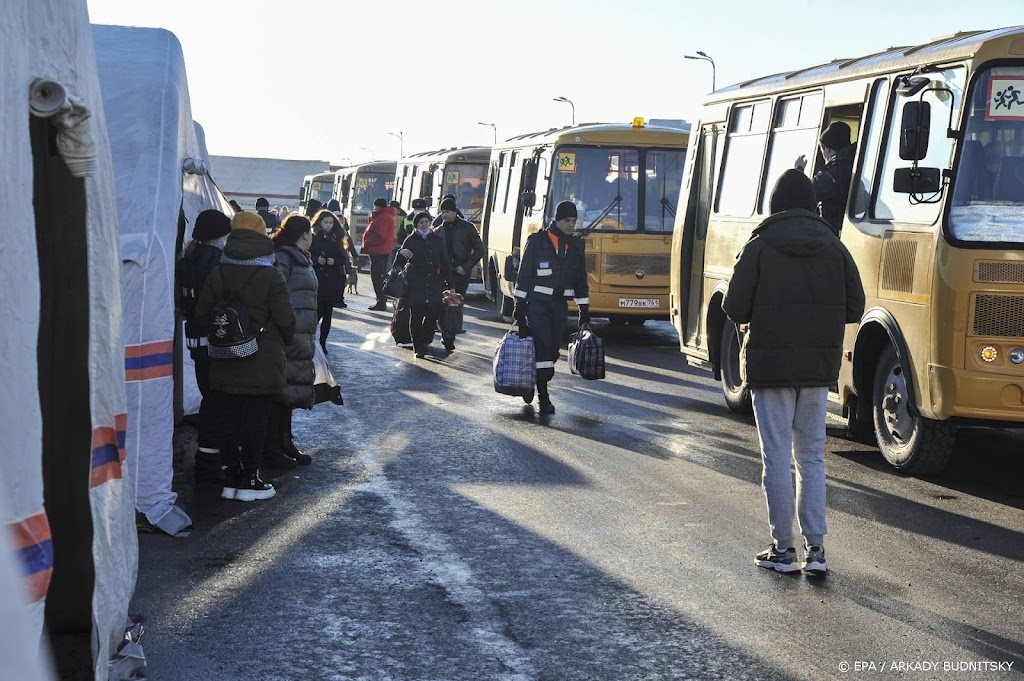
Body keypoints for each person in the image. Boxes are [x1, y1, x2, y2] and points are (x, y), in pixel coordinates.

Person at [722, 169, 865, 576]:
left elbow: (734, 307)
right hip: (818, 370)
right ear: (811, 204)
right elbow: (855, 306)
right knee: (811, 458)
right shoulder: (834, 247)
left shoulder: (761, 246)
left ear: (775, 204)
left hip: (770, 369)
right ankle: (816, 550)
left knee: (777, 458)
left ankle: (783, 550)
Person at [194, 211, 296, 501]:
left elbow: (202, 315)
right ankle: (251, 479)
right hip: (261, 358)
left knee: (227, 417)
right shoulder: (270, 274)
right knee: (255, 421)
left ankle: (231, 476)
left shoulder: (219, 270)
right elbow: (286, 319)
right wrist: (279, 341)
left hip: (224, 357)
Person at [512, 201, 590, 414]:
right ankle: (543, 397)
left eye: (574, 221)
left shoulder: (576, 246)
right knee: (544, 347)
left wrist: (584, 309)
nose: (571, 225)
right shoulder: (537, 242)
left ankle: (531, 380)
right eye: (567, 220)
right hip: (537, 306)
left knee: (553, 350)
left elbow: (581, 280)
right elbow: (524, 275)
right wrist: (519, 305)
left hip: (558, 307)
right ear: (557, 220)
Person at [176, 209, 232, 484]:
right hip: (216, 342)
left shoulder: (187, 259)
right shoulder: (216, 262)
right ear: (218, 235)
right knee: (218, 404)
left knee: (209, 398)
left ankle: (206, 459)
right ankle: (210, 463)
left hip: (195, 341)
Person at [266, 215, 320, 467]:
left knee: (288, 389)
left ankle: (284, 442)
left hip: (300, 333)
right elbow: (279, 292)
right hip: (289, 333)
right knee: (281, 389)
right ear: (304, 235)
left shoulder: (297, 257)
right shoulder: (286, 258)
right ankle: (274, 446)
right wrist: (287, 326)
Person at [394, 212, 454, 358]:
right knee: (416, 315)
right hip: (415, 283)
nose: (424, 224)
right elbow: (398, 264)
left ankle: (426, 339)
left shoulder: (437, 239)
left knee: (433, 313)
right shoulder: (410, 240)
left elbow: (444, 262)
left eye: (426, 221)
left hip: (434, 282)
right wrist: (400, 252)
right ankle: (418, 346)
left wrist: (450, 285)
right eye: (421, 222)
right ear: (416, 225)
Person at [434, 196, 484, 350]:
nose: (444, 215)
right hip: (443, 273)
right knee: (443, 302)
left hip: (461, 273)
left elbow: (479, 250)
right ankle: (445, 333)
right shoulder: (438, 231)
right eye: (442, 212)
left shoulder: (467, 228)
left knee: (455, 303)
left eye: (447, 211)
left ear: (455, 211)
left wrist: (466, 267)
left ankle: (450, 334)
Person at [795, 121, 856, 236]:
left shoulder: (831, 173)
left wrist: (798, 170)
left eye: (821, 149)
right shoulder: (856, 162)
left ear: (827, 150)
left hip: (832, 233)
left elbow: (803, 195)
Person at [309, 209, 349, 350]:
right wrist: (316, 260)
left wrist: (335, 261)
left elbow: (344, 258)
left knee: (328, 314)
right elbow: (306, 255)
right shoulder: (313, 237)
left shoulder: (336, 239)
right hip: (317, 278)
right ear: (320, 222)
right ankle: (311, 340)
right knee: (316, 312)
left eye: (331, 222)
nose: (328, 225)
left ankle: (323, 342)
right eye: (326, 222)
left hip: (332, 280)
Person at [361, 197, 397, 311]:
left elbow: (380, 235)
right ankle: (381, 300)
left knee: (377, 277)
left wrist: (367, 242)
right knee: (378, 276)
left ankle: (381, 301)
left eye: (375, 206)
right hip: (380, 250)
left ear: (378, 206)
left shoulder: (383, 217)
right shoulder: (384, 216)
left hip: (379, 251)